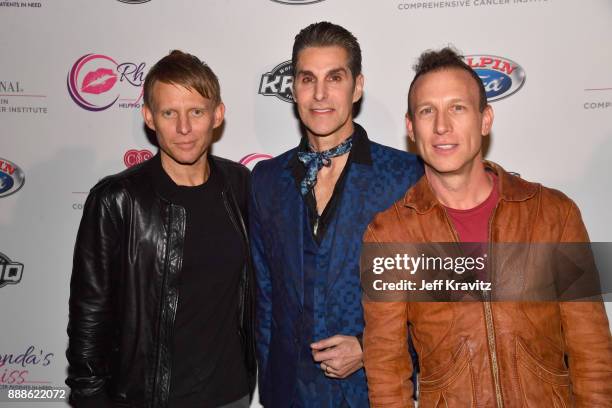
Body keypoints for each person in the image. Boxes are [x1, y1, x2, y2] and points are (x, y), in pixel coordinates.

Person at [362, 47, 612, 407]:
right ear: (410, 128)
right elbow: (386, 371)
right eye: (427, 111)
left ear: (485, 119)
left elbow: (593, 354)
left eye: (457, 108)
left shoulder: (554, 215)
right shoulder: (390, 236)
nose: (442, 126)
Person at [66, 50, 256, 408]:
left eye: (196, 112)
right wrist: (89, 397)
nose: (184, 128)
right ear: (149, 118)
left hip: (231, 395)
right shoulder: (118, 199)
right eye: (170, 113)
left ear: (218, 115)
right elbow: (89, 313)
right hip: (147, 398)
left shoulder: (239, 184)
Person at [250, 22, 422, 407]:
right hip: (287, 392)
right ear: (293, 88)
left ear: (357, 86)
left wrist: (367, 348)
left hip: (371, 391)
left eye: (335, 77)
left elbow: (432, 297)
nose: (320, 94)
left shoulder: (405, 175)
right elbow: (265, 299)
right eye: (307, 79)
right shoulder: (266, 179)